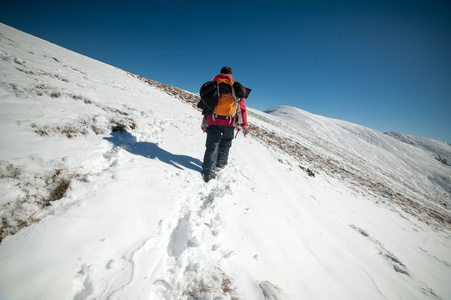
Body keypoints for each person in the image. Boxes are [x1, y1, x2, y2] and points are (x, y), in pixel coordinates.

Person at [200, 66, 250, 182]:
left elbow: (205, 106)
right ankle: (221, 165)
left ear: (220, 73)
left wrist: (205, 121)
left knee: (212, 145)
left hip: (213, 120)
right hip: (229, 122)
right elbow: (242, 109)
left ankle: (208, 171)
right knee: (226, 143)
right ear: (231, 75)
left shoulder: (212, 86)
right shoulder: (236, 88)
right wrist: (244, 125)